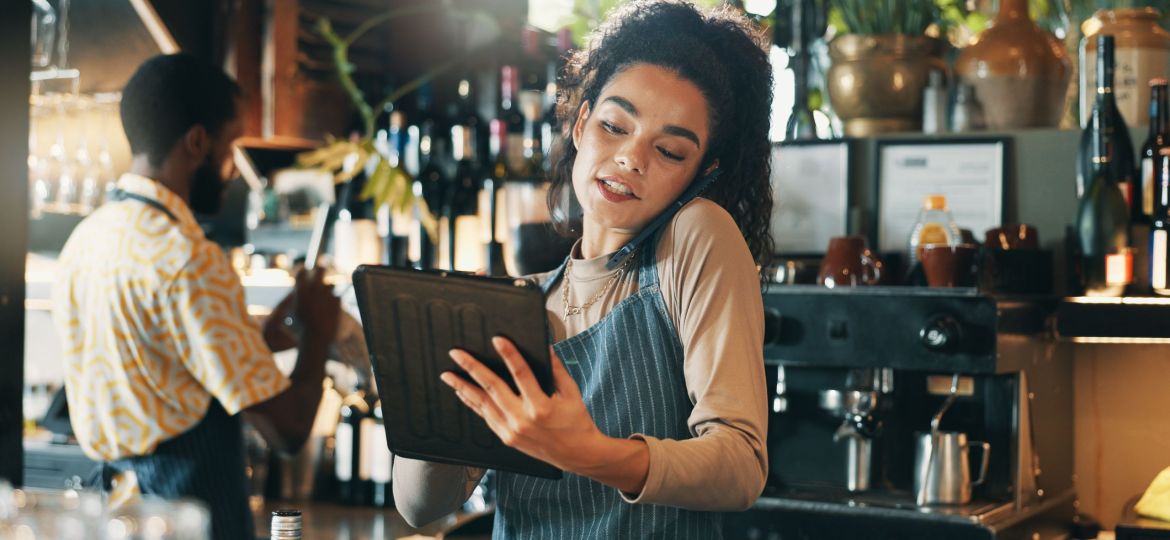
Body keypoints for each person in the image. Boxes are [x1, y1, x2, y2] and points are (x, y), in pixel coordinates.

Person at [393, 1, 774, 537]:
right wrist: (443, 392)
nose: (631, 159)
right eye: (615, 125)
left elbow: (741, 465)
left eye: (668, 151)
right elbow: (418, 507)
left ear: (702, 172)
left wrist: (590, 453)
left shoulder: (694, 237)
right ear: (579, 122)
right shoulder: (521, 302)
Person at [52, 54, 340, 540]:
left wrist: (260, 340)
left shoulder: (86, 240)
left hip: (114, 516)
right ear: (198, 142)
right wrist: (319, 335)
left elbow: (163, 369)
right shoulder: (189, 258)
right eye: (232, 146)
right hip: (189, 520)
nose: (233, 169)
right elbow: (289, 430)